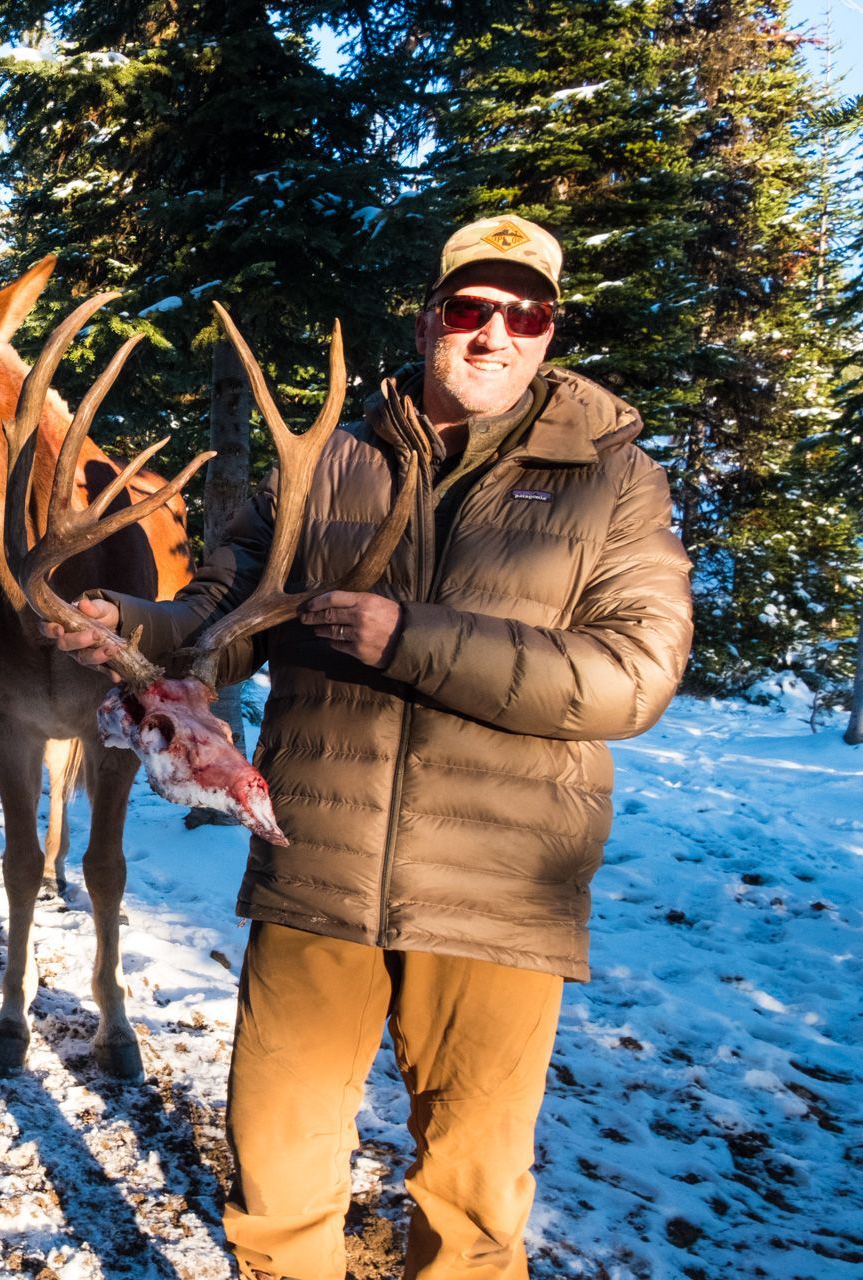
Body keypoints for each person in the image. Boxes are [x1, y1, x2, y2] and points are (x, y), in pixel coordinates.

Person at [48, 215, 693, 1280]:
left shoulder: (615, 484)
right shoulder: (330, 459)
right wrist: (131, 622)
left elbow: (635, 675)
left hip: (496, 889)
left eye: (524, 313)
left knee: (472, 1204)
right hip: (319, 861)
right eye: (471, 307)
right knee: (276, 1172)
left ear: (550, 329)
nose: (494, 334)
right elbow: (227, 607)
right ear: (431, 315)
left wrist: (414, 639)